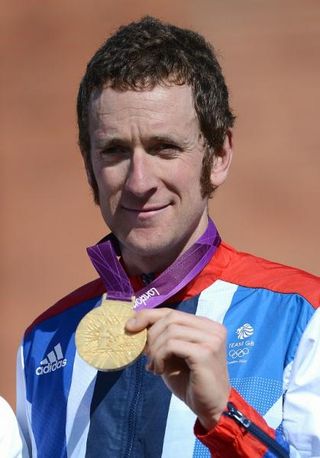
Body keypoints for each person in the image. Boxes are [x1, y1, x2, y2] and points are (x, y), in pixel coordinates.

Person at [16, 16, 319, 457]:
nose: (140, 181)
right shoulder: (46, 341)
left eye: (164, 148)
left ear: (218, 156)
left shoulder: (302, 318)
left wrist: (223, 417)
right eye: (115, 151)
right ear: (89, 167)